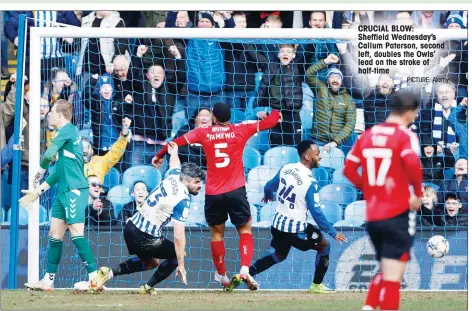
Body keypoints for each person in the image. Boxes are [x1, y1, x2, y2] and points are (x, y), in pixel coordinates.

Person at [152, 103, 282, 290]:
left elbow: (175, 142)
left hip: (214, 193)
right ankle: (245, 268)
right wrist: (275, 111)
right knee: (245, 231)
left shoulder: (203, 132)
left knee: (217, 235)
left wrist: (159, 155)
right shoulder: (241, 129)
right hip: (236, 190)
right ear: (230, 116)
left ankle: (222, 274)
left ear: (214, 118)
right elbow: (271, 122)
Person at [343, 91, 423, 310]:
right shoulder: (405, 136)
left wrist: (369, 188)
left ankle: (369, 306)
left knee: (388, 268)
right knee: (392, 278)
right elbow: (412, 163)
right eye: (415, 113)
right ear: (409, 112)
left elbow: (348, 169)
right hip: (397, 213)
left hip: (373, 217)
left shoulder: (367, 135)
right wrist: (417, 192)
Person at [91, 142, 206, 294]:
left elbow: (174, 165)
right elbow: (179, 236)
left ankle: (109, 272)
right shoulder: (183, 200)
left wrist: (173, 153)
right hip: (146, 237)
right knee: (178, 255)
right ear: (185, 181)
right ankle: (147, 288)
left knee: (151, 262)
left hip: (131, 228)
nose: (200, 186)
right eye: (197, 182)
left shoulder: (173, 177)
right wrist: (181, 264)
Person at [236, 140, 347, 293]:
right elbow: (316, 213)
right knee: (324, 246)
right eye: (317, 154)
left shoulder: (287, 168)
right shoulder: (310, 182)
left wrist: (268, 195)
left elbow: (269, 186)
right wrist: (333, 232)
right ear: (308, 157)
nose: (320, 157)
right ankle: (316, 286)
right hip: (296, 230)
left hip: (277, 225)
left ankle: (246, 273)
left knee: (279, 255)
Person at [19, 99, 99, 291]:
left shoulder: (68, 130)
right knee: (55, 234)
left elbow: (48, 156)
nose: (48, 115)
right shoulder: (68, 135)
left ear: (60, 115)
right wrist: (39, 190)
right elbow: (59, 170)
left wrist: (38, 173)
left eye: (51, 112)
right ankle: (48, 280)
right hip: (63, 191)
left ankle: (95, 278)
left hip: (75, 191)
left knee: (76, 233)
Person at [255, 44, 303, 148]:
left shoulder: (298, 67)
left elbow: (307, 54)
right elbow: (261, 91)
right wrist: (260, 109)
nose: (285, 53)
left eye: (289, 52)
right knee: (275, 148)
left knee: (294, 147)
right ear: (278, 54)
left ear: (294, 55)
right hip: (275, 113)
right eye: (282, 51)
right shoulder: (271, 68)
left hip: (292, 114)